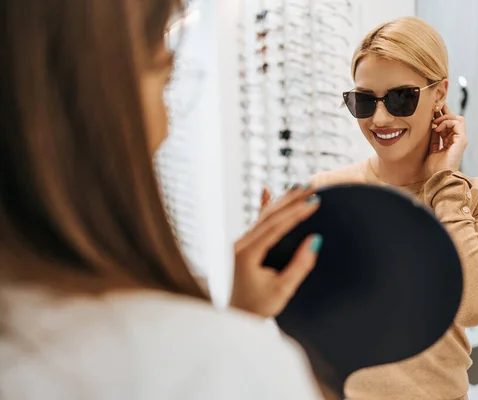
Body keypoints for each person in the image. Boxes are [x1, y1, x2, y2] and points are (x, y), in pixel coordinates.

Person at [0, 1, 332, 399]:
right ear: (98, 106)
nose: (168, 125)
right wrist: (228, 349)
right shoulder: (214, 366)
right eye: (165, 77)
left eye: (400, 98)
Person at [310, 17, 478, 400]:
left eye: (402, 97)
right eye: (364, 100)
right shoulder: (328, 193)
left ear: (440, 94)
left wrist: (444, 186)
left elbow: (474, 308)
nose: (380, 119)